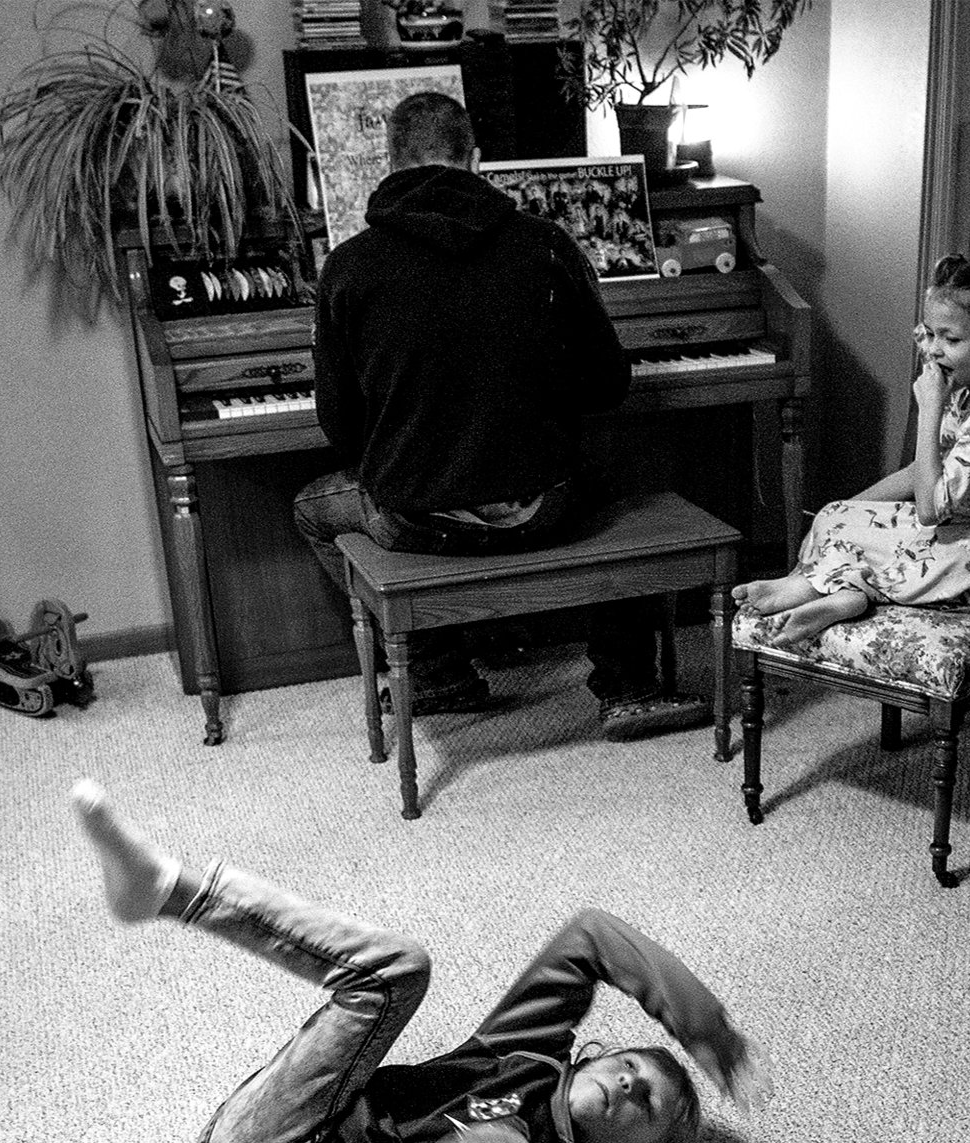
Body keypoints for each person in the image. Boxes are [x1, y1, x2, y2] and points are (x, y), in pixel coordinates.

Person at [69, 778, 771, 1143]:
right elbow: (589, 937)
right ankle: (165, 887)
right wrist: (709, 1033)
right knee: (401, 969)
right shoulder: (520, 1052)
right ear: (589, 1056)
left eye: (642, 1100)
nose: (625, 1084)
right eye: (624, 1067)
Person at [293, 91, 710, 742]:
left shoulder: (346, 268)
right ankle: (629, 686)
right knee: (608, 474)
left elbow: (339, 429)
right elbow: (609, 384)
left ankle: (435, 674)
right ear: (477, 161)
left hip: (416, 518)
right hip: (545, 509)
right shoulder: (546, 245)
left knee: (312, 509)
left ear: (390, 162)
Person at [733, 255, 970, 645]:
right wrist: (843, 514)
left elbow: (932, 510)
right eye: (931, 335)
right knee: (835, 514)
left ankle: (828, 590)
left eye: (951, 340)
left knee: (863, 531)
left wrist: (929, 410)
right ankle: (831, 592)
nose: (934, 350)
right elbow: (920, 471)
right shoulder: (966, 389)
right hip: (961, 523)